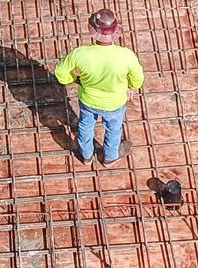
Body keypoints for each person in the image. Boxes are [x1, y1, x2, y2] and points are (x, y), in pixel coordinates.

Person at [53, 9, 145, 164]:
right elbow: (138, 79)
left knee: (85, 126)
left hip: (88, 101)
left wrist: (75, 79)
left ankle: (86, 155)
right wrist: (131, 87)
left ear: (93, 31)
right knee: (114, 130)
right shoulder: (126, 56)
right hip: (114, 103)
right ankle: (109, 157)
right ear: (116, 31)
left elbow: (60, 73)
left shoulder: (80, 54)